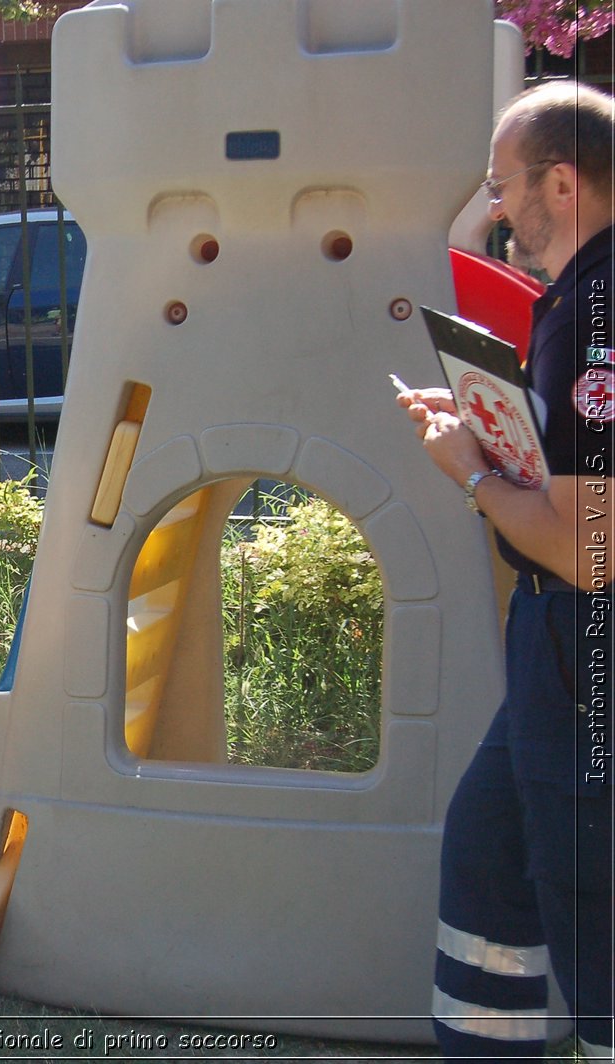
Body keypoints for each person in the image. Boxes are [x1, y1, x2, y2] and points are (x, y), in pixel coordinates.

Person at [397, 82, 612, 1062]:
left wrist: (470, 468)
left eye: (500, 184)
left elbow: (586, 546)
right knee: (487, 859)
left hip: (579, 645)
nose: (494, 209)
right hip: (555, 645)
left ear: (558, 184)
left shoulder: (591, 312)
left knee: (587, 904)